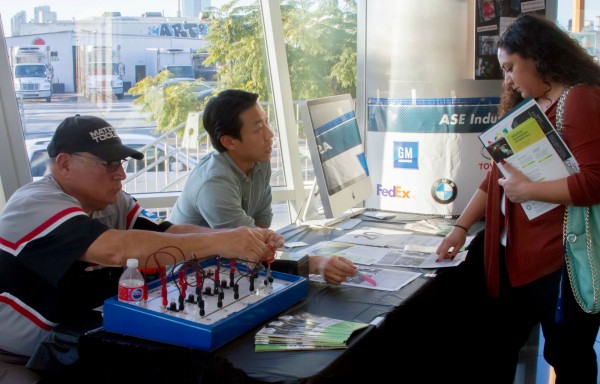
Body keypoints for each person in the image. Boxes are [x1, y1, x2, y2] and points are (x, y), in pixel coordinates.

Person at [0, 115, 283, 382]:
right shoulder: (34, 204)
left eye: (121, 162)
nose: (121, 174)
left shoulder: (112, 201)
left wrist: (240, 236)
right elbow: (116, 250)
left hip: (84, 344)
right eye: (110, 164)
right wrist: (222, 242)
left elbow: (167, 234)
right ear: (64, 164)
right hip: (19, 360)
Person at [436, 14, 600, 383]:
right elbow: (496, 178)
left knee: (568, 356)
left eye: (510, 67)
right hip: (515, 259)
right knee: (494, 348)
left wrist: (528, 191)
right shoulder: (531, 108)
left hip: (560, 264)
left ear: (537, 56)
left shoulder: (579, 99)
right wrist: (461, 227)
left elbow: (593, 183)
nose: (507, 79)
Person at [169, 89, 357, 285]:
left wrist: (267, 244)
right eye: (258, 129)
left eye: (266, 122)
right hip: (184, 279)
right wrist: (316, 264)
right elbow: (249, 247)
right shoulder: (214, 183)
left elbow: (261, 232)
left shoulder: (259, 162)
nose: (270, 135)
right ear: (229, 141)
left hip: (227, 268)